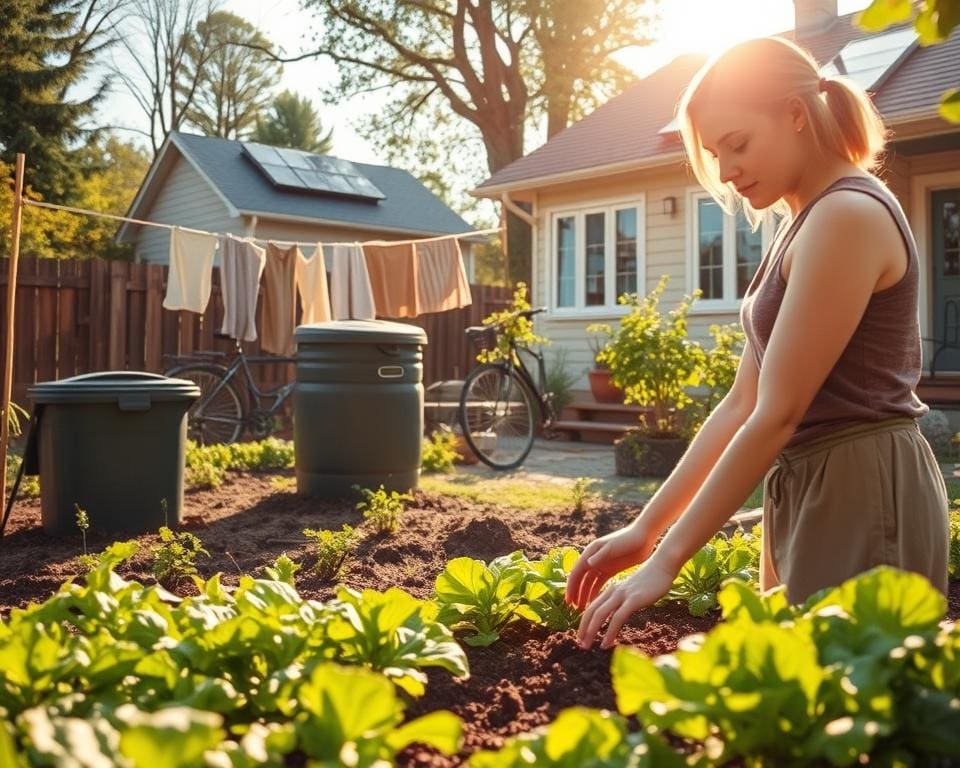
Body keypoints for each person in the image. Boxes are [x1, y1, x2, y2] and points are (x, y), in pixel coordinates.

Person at [565, 36, 950, 650]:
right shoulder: (803, 221)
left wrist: (668, 562)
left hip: (859, 483)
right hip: (809, 481)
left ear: (796, 114)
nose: (726, 171)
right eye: (715, 154)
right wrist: (645, 531)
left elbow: (779, 412)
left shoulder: (845, 215)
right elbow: (743, 402)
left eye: (737, 144)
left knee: (851, 719)